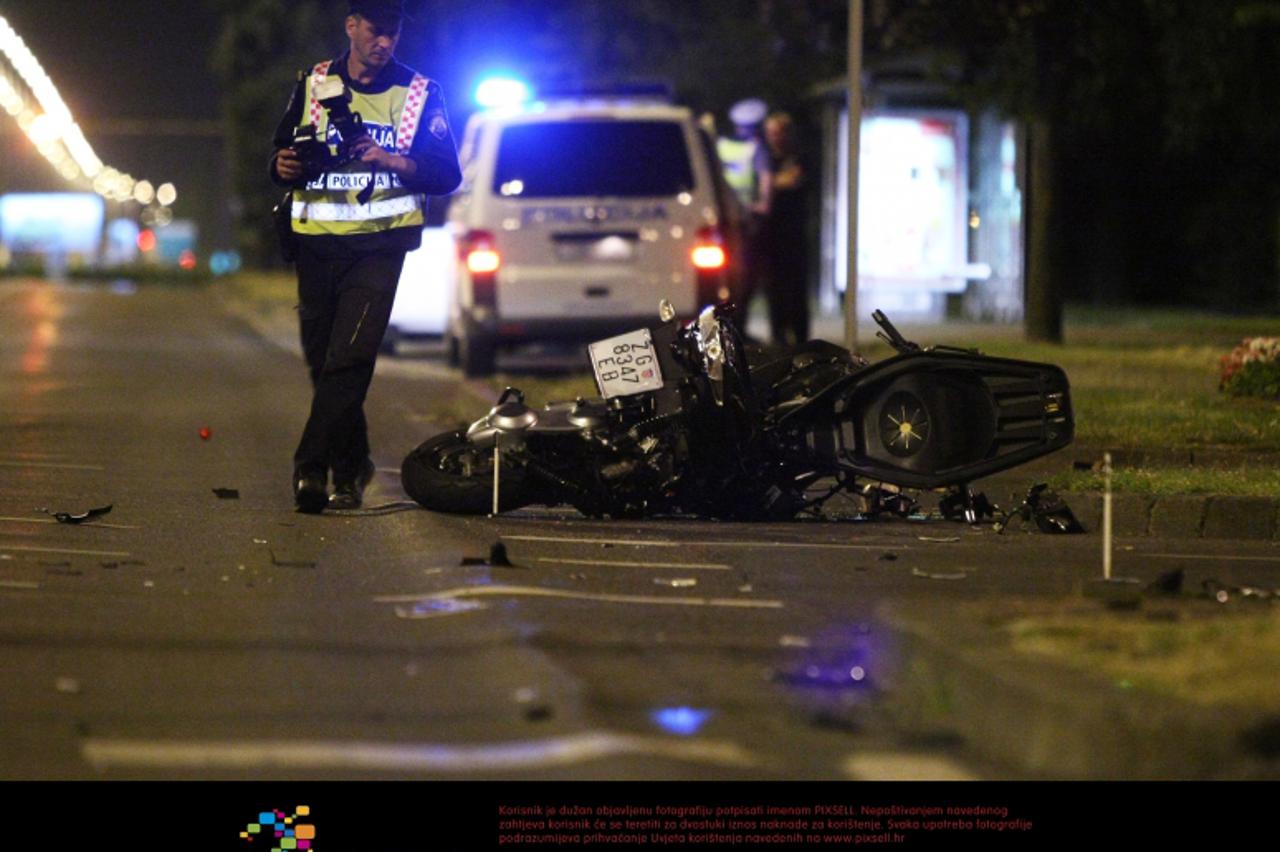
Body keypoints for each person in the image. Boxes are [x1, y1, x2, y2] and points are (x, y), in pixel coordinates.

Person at [271, 0, 461, 513]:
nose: (385, 42)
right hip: (316, 244)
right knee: (325, 364)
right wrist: (282, 165)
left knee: (352, 355)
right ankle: (352, 464)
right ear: (351, 26)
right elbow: (281, 152)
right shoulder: (313, 82)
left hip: (380, 245)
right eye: (376, 31)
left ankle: (310, 468)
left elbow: (447, 174)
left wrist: (393, 160)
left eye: (392, 33)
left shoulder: (420, 93)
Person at [716, 98, 774, 331]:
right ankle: (739, 326)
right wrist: (764, 204)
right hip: (745, 221)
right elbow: (766, 179)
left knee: (724, 275)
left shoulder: (720, 145)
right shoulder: (756, 147)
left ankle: (727, 326)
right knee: (745, 277)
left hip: (721, 219)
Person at [759, 111, 810, 346]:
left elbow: (793, 180)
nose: (774, 138)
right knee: (773, 290)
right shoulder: (766, 157)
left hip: (794, 234)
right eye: (770, 133)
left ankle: (801, 339)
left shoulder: (799, 156)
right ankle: (777, 337)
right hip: (770, 235)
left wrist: (769, 182)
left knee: (796, 290)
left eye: (777, 132)